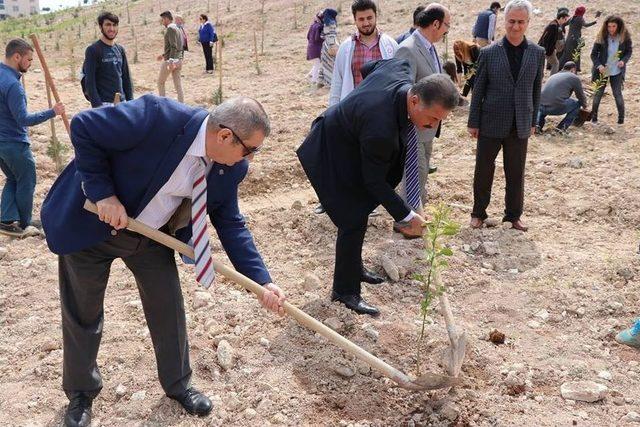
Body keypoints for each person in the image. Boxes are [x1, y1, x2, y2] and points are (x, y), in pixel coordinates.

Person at [40, 95, 286, 426]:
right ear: (225, 136)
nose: (250, 158)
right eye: (249, 149)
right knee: (83, 313)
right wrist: (103, 195)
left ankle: (178, 385)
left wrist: (262, 281)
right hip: (93, 227)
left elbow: (229, 220)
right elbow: (85, 126)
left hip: (151, 236)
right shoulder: (158, 117)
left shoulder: (231, 166)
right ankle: (81, 394)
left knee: (168, 307)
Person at [298, 59, 459, 316]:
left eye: (440, 120)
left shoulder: (402, 68)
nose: (433, 126)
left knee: (360, 210)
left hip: (357, 137)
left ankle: (354, 267)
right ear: (415, 100)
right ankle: (344, 291)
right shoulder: (380, 128)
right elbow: (374, 181)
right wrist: (406, 216)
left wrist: (360, 102)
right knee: (351, 217)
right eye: (431, 119)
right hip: (333, 149)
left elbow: (369, 68)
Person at [467, 0, 545, 232]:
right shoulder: (489, 53)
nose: (516, 26)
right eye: (512, 21)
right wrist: (473, 121)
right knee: (483, 169)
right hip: (491, 121)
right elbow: (478, 89)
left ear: (528, 23)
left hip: (520, 122)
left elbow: (536, 90)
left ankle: (513, 216)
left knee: (516, 172)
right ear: (504, 21)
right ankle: (478, 213)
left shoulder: (537, 53)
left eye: (521, 22)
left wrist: (533, 121)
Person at [0, 39, 65, 237]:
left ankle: (7, 221)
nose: (30, 63)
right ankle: (25, 223)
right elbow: (24, 119)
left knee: (13, 178)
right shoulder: (13, 85)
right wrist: (53, 112)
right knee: (27, 180)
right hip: (14, 142)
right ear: (17, 56)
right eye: (28, 59)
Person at [394, 4, 451, 211]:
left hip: (428, 126)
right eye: (447, 26)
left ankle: (414, 213)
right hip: (414, 126)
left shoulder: (429, 47)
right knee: (414, 171)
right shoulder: (408, 49)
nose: (447, 31)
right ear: (435, 23)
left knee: (423, 170)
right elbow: (403, 91)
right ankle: (408, 219)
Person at [328, 0, 398, 107]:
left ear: (376, 17)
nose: (366, 23)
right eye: (361, 19)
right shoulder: (345, 48)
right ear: (355, 20)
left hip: (383, 109)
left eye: (369, 18)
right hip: (353, 110)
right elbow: (337, 83)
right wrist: (332, 113)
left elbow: (398, 80)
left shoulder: (391, 45)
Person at [81, 12, 134, 107]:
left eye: (114, 25)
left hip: (122, 103)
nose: (112, 29)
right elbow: (90, 83)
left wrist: (130, 102)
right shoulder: (93, 50)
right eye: (108, 25)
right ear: (101, 27)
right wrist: (98, 107)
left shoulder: (120, 49)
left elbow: (126, 78)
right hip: (104, 104)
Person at [590, 15, 632, 125]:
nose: (611, 29)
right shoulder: (602, 37)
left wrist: (623, 61)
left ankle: (621, 120)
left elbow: (629, 51)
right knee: (598, 94)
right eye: (609, 26)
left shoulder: (624, 37)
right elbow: (593, 55)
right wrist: (599, 66)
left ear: (619, 26)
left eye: (614, 26)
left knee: (617, 94)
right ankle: (594, 119)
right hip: (604, 70)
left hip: (617, 70)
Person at [536, 61, 587, 132]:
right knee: (577, 104)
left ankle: (537, 125)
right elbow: (580, 96)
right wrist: (585, 106)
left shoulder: (554, 75)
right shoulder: (574, 77)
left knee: (546, 101)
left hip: (540, 107)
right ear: (573, 69)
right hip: (555, 107)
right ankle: (561, 128)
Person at [559, 5, 599, 72]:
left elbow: (563, 24)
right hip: (576, 39)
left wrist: (563, 32)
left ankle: (562, 67)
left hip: (569, 39)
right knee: (575, 54)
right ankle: (574, 68)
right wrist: (594, 22)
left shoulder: (572, 18)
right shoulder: (580, 18)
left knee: (567, 54)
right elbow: (585, 25)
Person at [157, 11, 184, 103]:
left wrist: (171, 60)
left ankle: (163, 106)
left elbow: (174, 46)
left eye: (163, 20)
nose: (162, 22)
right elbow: (178, 46)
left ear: (167, 19)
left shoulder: (170, 29)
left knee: (160, 82)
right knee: (178, 86)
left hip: (171, 61)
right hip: (179, 60)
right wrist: (163, 55)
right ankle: (182, 105)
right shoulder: (178, 28)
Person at [538, 9, 570, 75]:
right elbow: (548, 39)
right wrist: (549, 51)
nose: (565, 22)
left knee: (541, 65)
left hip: (544, 48)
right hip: (546, 48)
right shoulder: (554, 26)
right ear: (561, 18)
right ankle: (552, 79)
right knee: (555, 64)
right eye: (565, 19)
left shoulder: (554, 24)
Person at [318, 8, 339, 88]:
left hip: (329, 45)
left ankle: (328, 81)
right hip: (332, 44)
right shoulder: (333, 22)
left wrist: (331, 45)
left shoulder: (329, 23)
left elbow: (329, 35)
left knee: (328, 63)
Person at [306, 10, 324, 86]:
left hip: (310, 46)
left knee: (317, 63)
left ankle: (309, 75)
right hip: (317, 48)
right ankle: (314, 80)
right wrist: (324, 38)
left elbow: (308, 36)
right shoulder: (320, 26)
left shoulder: (312, 25)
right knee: (318, 64)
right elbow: (317, 38)